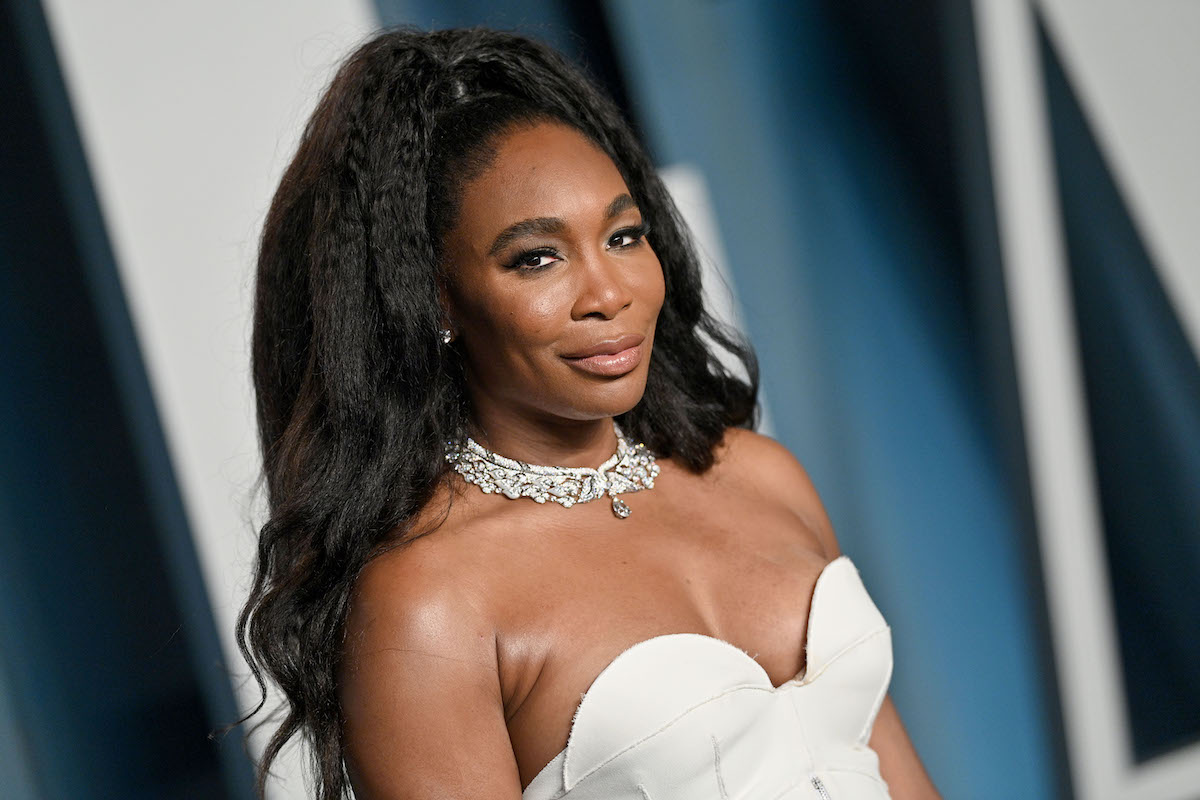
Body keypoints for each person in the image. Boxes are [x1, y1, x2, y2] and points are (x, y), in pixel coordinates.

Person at [238, 25, 940, 800]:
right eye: (537, 258)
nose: (610, 295)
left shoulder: (758, 476)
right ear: (435, 301)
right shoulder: (432, 603)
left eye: (624, 235)